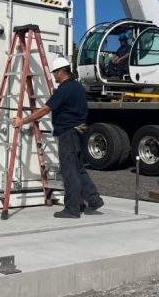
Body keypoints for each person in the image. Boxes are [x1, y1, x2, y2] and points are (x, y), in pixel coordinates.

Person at [14, 56, 104, 218]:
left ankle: (72, 209)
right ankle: (94, 200)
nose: (54, 76)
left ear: (61, 72)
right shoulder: (78, 87)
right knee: (79, 169)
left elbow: (45, 110)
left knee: (69, 171)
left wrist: (22, 121)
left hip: (68, 133)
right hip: (80, 131)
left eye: (55, 73)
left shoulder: (64, 89)